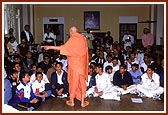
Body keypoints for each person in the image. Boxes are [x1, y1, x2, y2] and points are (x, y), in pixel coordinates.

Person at [41, 26, 89, 107]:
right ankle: (82, 102)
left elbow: (63, 48)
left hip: (74, 66)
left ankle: (72, 101)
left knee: (73, 82)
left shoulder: (73, 39)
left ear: (71, 32)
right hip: (81, 66)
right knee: (82, 83)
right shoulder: (83, 39)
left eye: (69, 33)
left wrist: (50, 47)